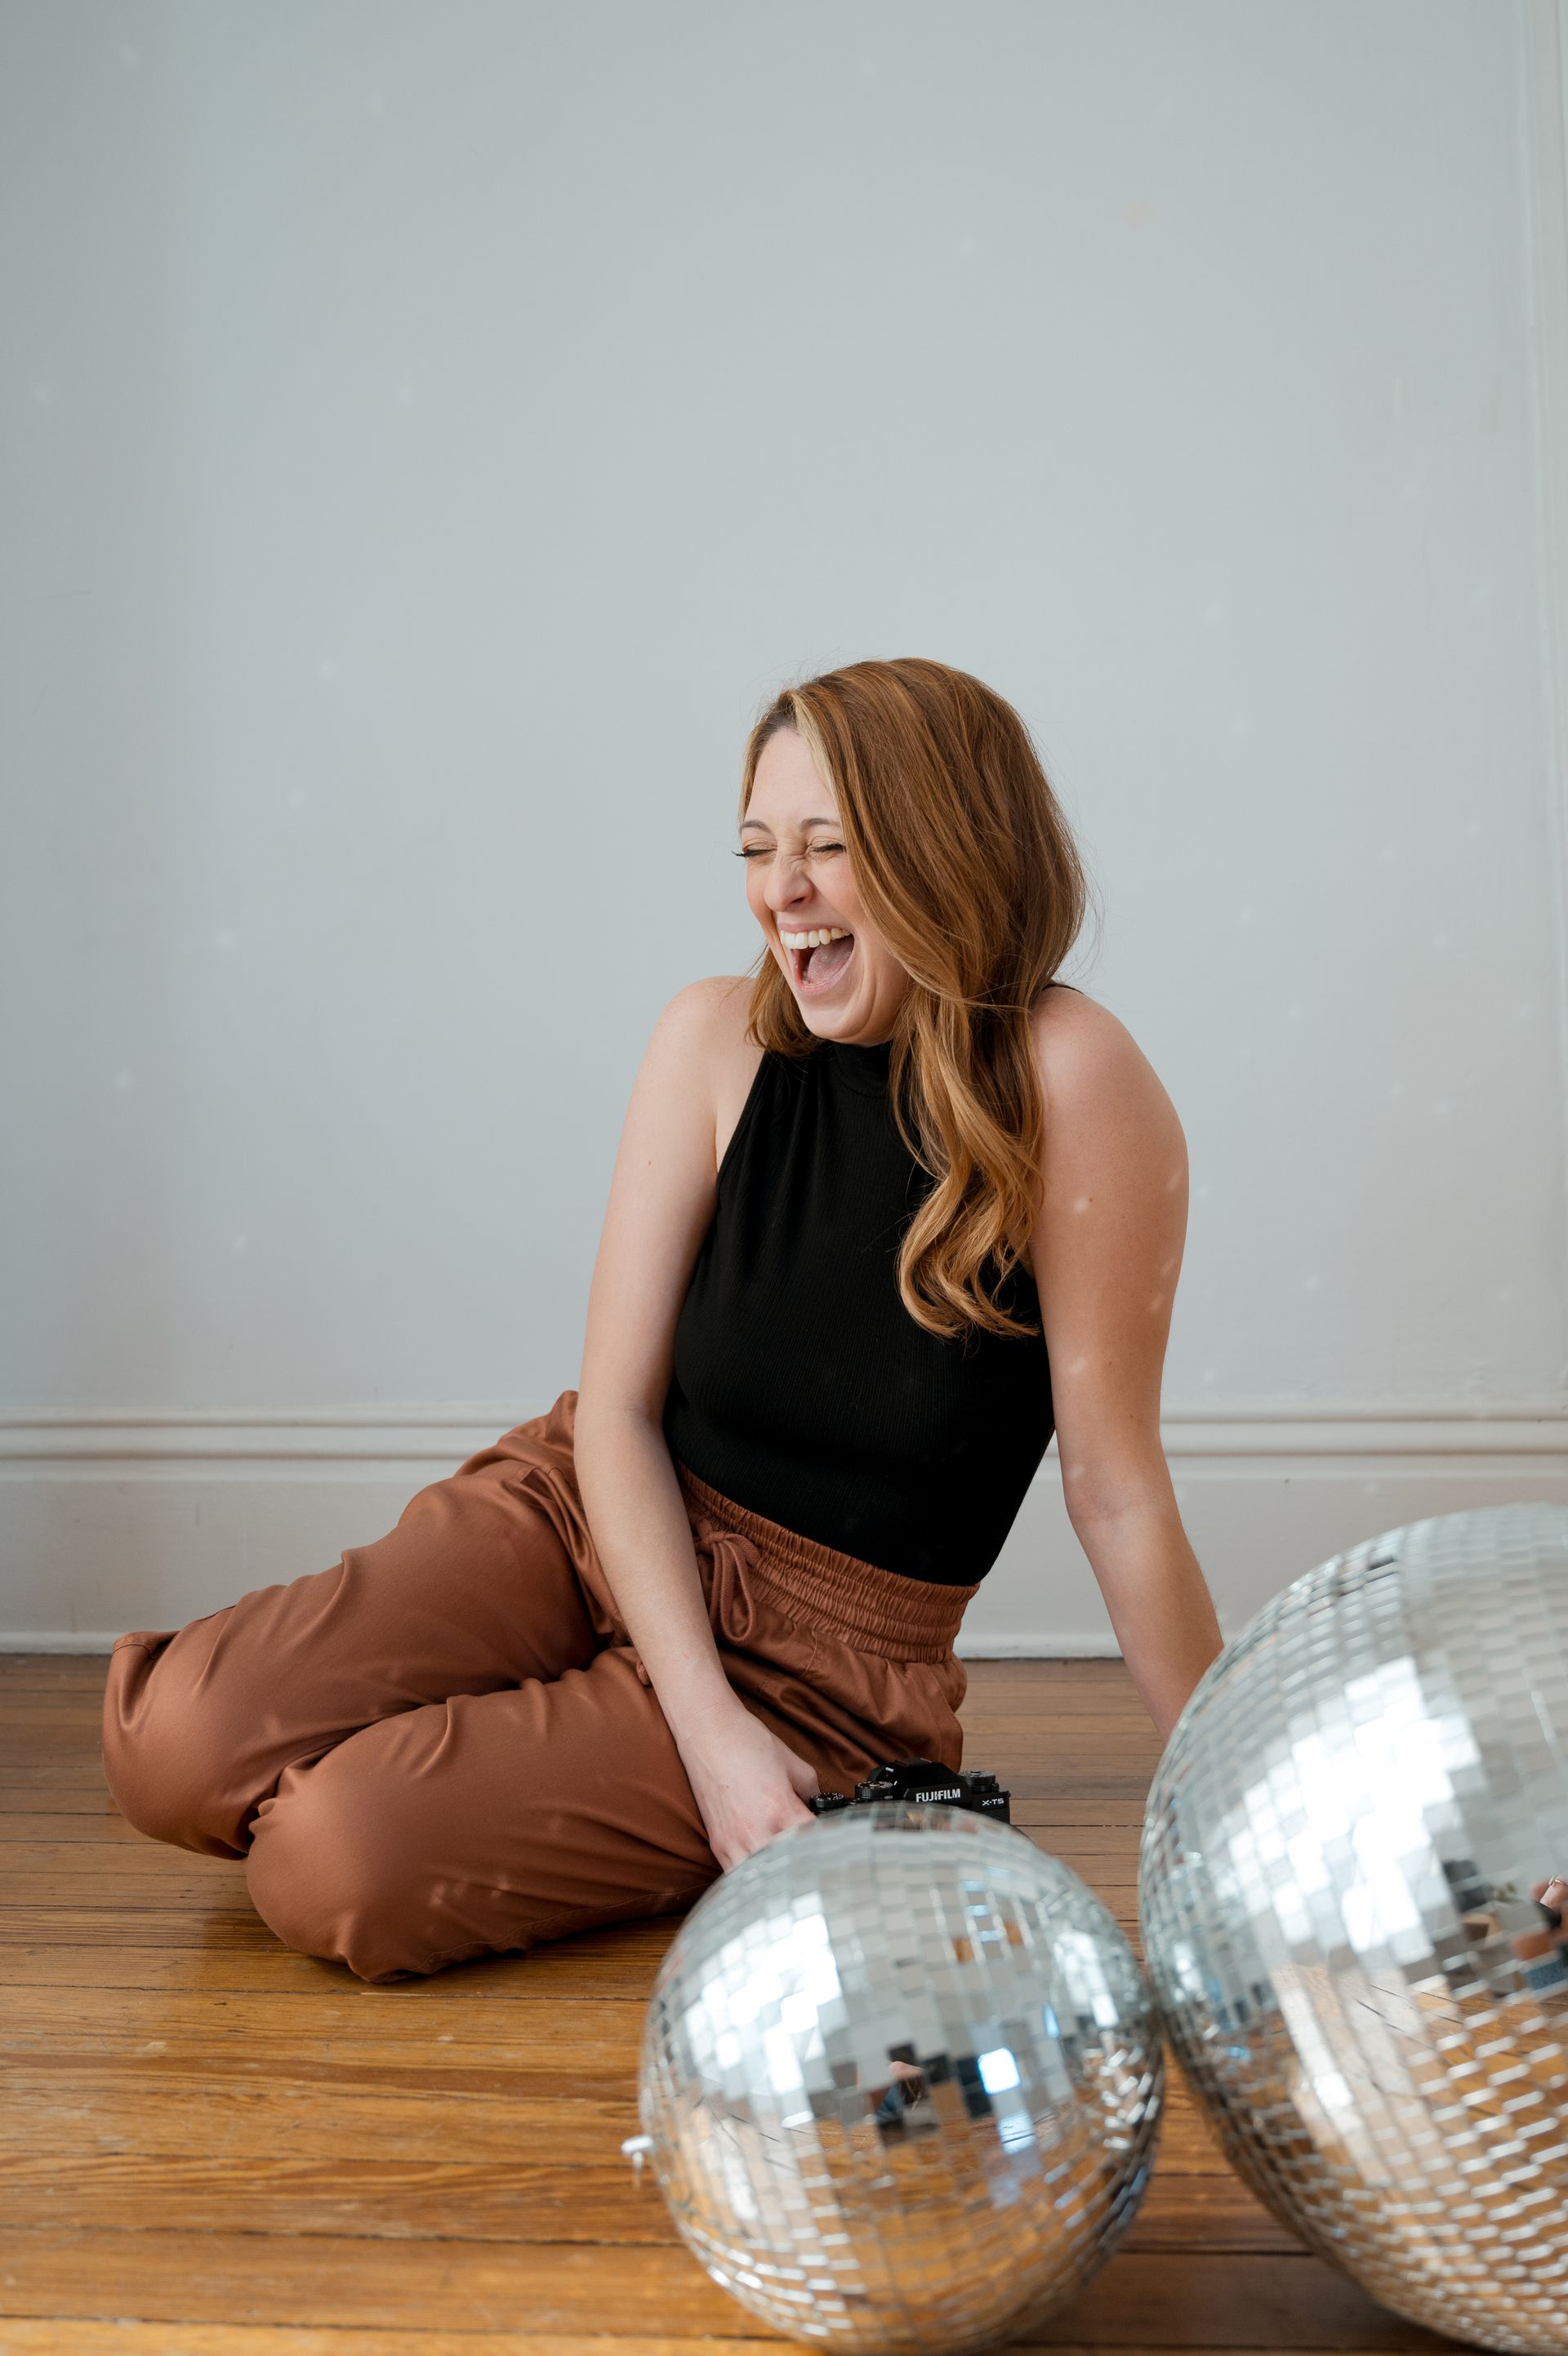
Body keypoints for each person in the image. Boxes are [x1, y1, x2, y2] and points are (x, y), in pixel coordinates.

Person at [100, 656, 1225, 1984]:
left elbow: (1115, 1490)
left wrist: (1250, 1797)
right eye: (756, 848)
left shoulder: (1073, 1077)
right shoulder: (713, 1040)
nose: (780, 891)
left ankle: (558, 1769)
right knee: (169, 1742)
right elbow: (619, 1413)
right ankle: (547, 1740)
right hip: (591, 1515)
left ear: (945, 848)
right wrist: (701, 1732)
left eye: (827, 846)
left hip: (817, 1673)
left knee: (327, 1858)